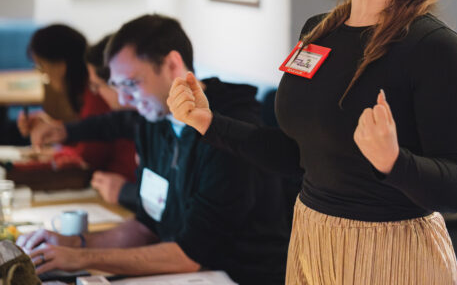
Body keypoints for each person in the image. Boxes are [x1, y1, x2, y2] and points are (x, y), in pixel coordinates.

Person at [169, 0, 457, 284]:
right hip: (312, 240)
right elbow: (296, 155)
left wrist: (393, 162)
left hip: (392, 253)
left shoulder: (434, 47)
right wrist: (208, 123)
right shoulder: (318, 32)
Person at [19, 14, 290, 284]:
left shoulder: (228, 133)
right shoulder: (154, 120)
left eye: (131, 84)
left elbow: (189, 256)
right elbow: (146, 226)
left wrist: (80, 258)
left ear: (172, 65)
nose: (124, 99)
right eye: (117, 86)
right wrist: (73, 243)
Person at [25, 35, 141, 211]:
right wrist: (63, 131)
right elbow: (113, 124)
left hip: (120, 194)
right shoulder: (131, 115)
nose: (126, 97)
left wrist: (128, 192)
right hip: (118, 192)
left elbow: (91, 155)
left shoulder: (99, 99)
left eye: (42, 66)